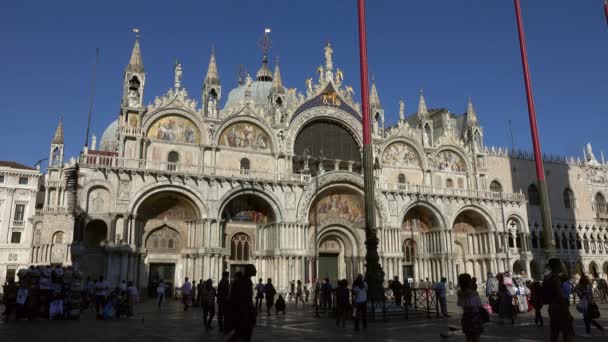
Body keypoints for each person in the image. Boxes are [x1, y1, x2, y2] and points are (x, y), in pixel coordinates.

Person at [543, 259, 574, 342]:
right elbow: (559, 294)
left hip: (552, 307)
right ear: (557, 266)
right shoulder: (556, 279)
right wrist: (566, 311)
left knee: (554, 332)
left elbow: (544, 296)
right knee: (567, 332)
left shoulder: (546, 279)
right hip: (560, 307)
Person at [227, 265, 257, 342]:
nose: (256, 271)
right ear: (249, 271)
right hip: (243, 312)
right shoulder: (245, 281)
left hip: (243, 311)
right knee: (243, 333)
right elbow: (244, 298)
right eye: (254, 269)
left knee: (242, 333)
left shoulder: (245, 281)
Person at [457, 273, 484, 342]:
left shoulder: (460, 293)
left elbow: (460, 304)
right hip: (475, 316)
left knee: (468, 337)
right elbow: (479, 304)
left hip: (466, 316)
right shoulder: (474, 293)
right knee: (476, 337)